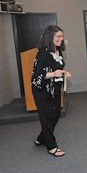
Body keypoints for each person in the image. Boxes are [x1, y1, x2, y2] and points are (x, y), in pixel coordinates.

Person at [31, 25, 72, 157]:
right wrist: (54, 74)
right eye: (58, 36)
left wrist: (64, 73)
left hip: (54, 89)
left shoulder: (58, 52)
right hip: (42, 90)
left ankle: (41, 138)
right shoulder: (43, 53)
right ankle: (51, 146)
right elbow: (36, 77)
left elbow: (56, 68)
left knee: (55, 115)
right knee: (46, 117)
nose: (61, 39)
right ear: (50, 38)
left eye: (62, 36)